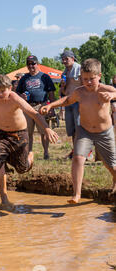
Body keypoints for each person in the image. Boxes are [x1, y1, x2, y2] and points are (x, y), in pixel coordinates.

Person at [0, 74, 58, 209]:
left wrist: (47, 129)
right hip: (2, 135)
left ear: (10, 88)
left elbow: (33, 113)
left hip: (19, 135)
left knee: (22, 168)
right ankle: (4, 199)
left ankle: (30, 157)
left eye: (3, 91)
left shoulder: (15, 98)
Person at [40, 59, 116, 204]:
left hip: (104, 132)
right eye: (84, 79)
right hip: (84, 131)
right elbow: (67, 100)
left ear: (99, 75)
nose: (87, 82)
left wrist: (112, 96)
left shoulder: (105, 89)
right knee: (78, 158)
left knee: (111, 165)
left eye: (91, 79)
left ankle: (115, 179)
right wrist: (51, 106)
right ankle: (77, 194)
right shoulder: (79, 92)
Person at [16, 55, 56, 160]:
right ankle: (29, 153)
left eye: (33, 63)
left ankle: (46, 153)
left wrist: (51, 107)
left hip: (41, 106)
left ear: (37, 64)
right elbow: (17, 93)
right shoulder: (24, 78)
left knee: (44, 131)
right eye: (28, 64)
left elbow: (51, 92)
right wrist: (21, 97)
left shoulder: (45, 77)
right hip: (28, 106)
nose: (31, 66)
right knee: (28, 132)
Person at [60, 50, 82, 159]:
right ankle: (75, 151)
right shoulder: (64, 73)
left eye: (66, 59)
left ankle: (85, 152)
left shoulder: (80, 69)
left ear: (72, 59)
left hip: (79, 102)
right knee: (72, 129)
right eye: (63, 59)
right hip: (68, 102)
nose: (64, 61)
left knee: (80, 128)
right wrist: (63, 85)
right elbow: (63, 92)